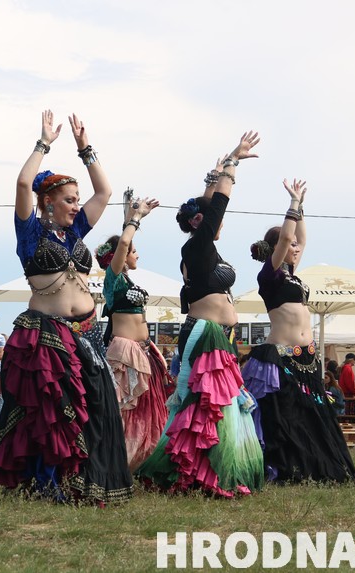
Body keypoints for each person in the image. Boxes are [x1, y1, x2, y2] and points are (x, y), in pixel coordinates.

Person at [0, 109, 132, 505]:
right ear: (48, 202)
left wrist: (86, 148)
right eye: (69, 200)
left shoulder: (76, 231)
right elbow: (23, 182)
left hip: (87, 331)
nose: (75, 205)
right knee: (53, 409)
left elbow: (104, 192)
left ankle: (88, 478)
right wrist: (43, 144)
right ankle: (49, 481)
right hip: (47, 333)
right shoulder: (30, 233)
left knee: (93, 402)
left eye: (76, 200)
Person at [136, 132, 264, 498]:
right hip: (204, 332)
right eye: (210, 221)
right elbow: (217, 206)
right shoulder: (196, 248)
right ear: (199, 223)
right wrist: (232, 165)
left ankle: (209, 470)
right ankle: (192, 472)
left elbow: (208, 206)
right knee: (206, 403)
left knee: (219, 404)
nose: (218, 225)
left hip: (217, 334)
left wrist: (212, 176)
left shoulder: (203, 250)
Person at [240, 179, 355, 483]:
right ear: (277, 249)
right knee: (286, 416)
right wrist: (291, 204)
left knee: (310, 414)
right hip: (281, 357)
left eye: (296, 247)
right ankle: (284, 468)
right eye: (290, 246)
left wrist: (301, 206)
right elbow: (288, 236)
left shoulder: (292, 274)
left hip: (306, 356)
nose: (296, 248)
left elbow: (300, 236)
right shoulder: (269, 275)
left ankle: (310, 467)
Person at [95, 193, 168, 471]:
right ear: (121, 256)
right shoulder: (113, 279)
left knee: (145, 411)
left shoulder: (125, 279)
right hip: (125, 353)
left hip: (143, 351)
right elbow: (124, 242)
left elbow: (124, 243)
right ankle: (115, 462)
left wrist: (130, 215)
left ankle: (137, 462)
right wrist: (136, 218)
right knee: (125, 411)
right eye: (134, 251)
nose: (137, 254)